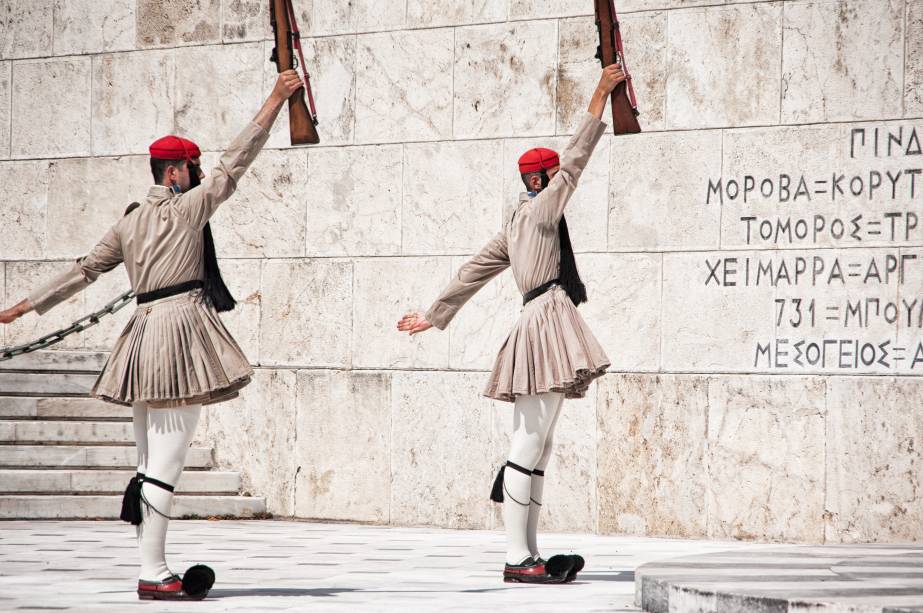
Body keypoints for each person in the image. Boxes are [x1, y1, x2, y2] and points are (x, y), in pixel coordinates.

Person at [0, 69, 304, 601]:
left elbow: (83, 271)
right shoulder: (185, 210)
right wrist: (275, 99)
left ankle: (154, 565)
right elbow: (237, 162)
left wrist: (21, 308)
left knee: (147, 461)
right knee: (166, 461)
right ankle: (154, 572)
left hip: (142, 333)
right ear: (175, 174)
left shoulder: (129, 222)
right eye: (193, 167)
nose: (200, 173)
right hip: (177, 332)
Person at [397, 64, 625, 584]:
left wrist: (434, 316)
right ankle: (518, 559)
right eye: (546, 179)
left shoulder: (518, 223)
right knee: (528, 444)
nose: (548, 183)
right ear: (540, 181)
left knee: (539, 444)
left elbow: (474, 269)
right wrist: (600, 94)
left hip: (543, 318)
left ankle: (529, 554)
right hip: (544, 321)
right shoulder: (540, 212)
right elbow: (576, 161)